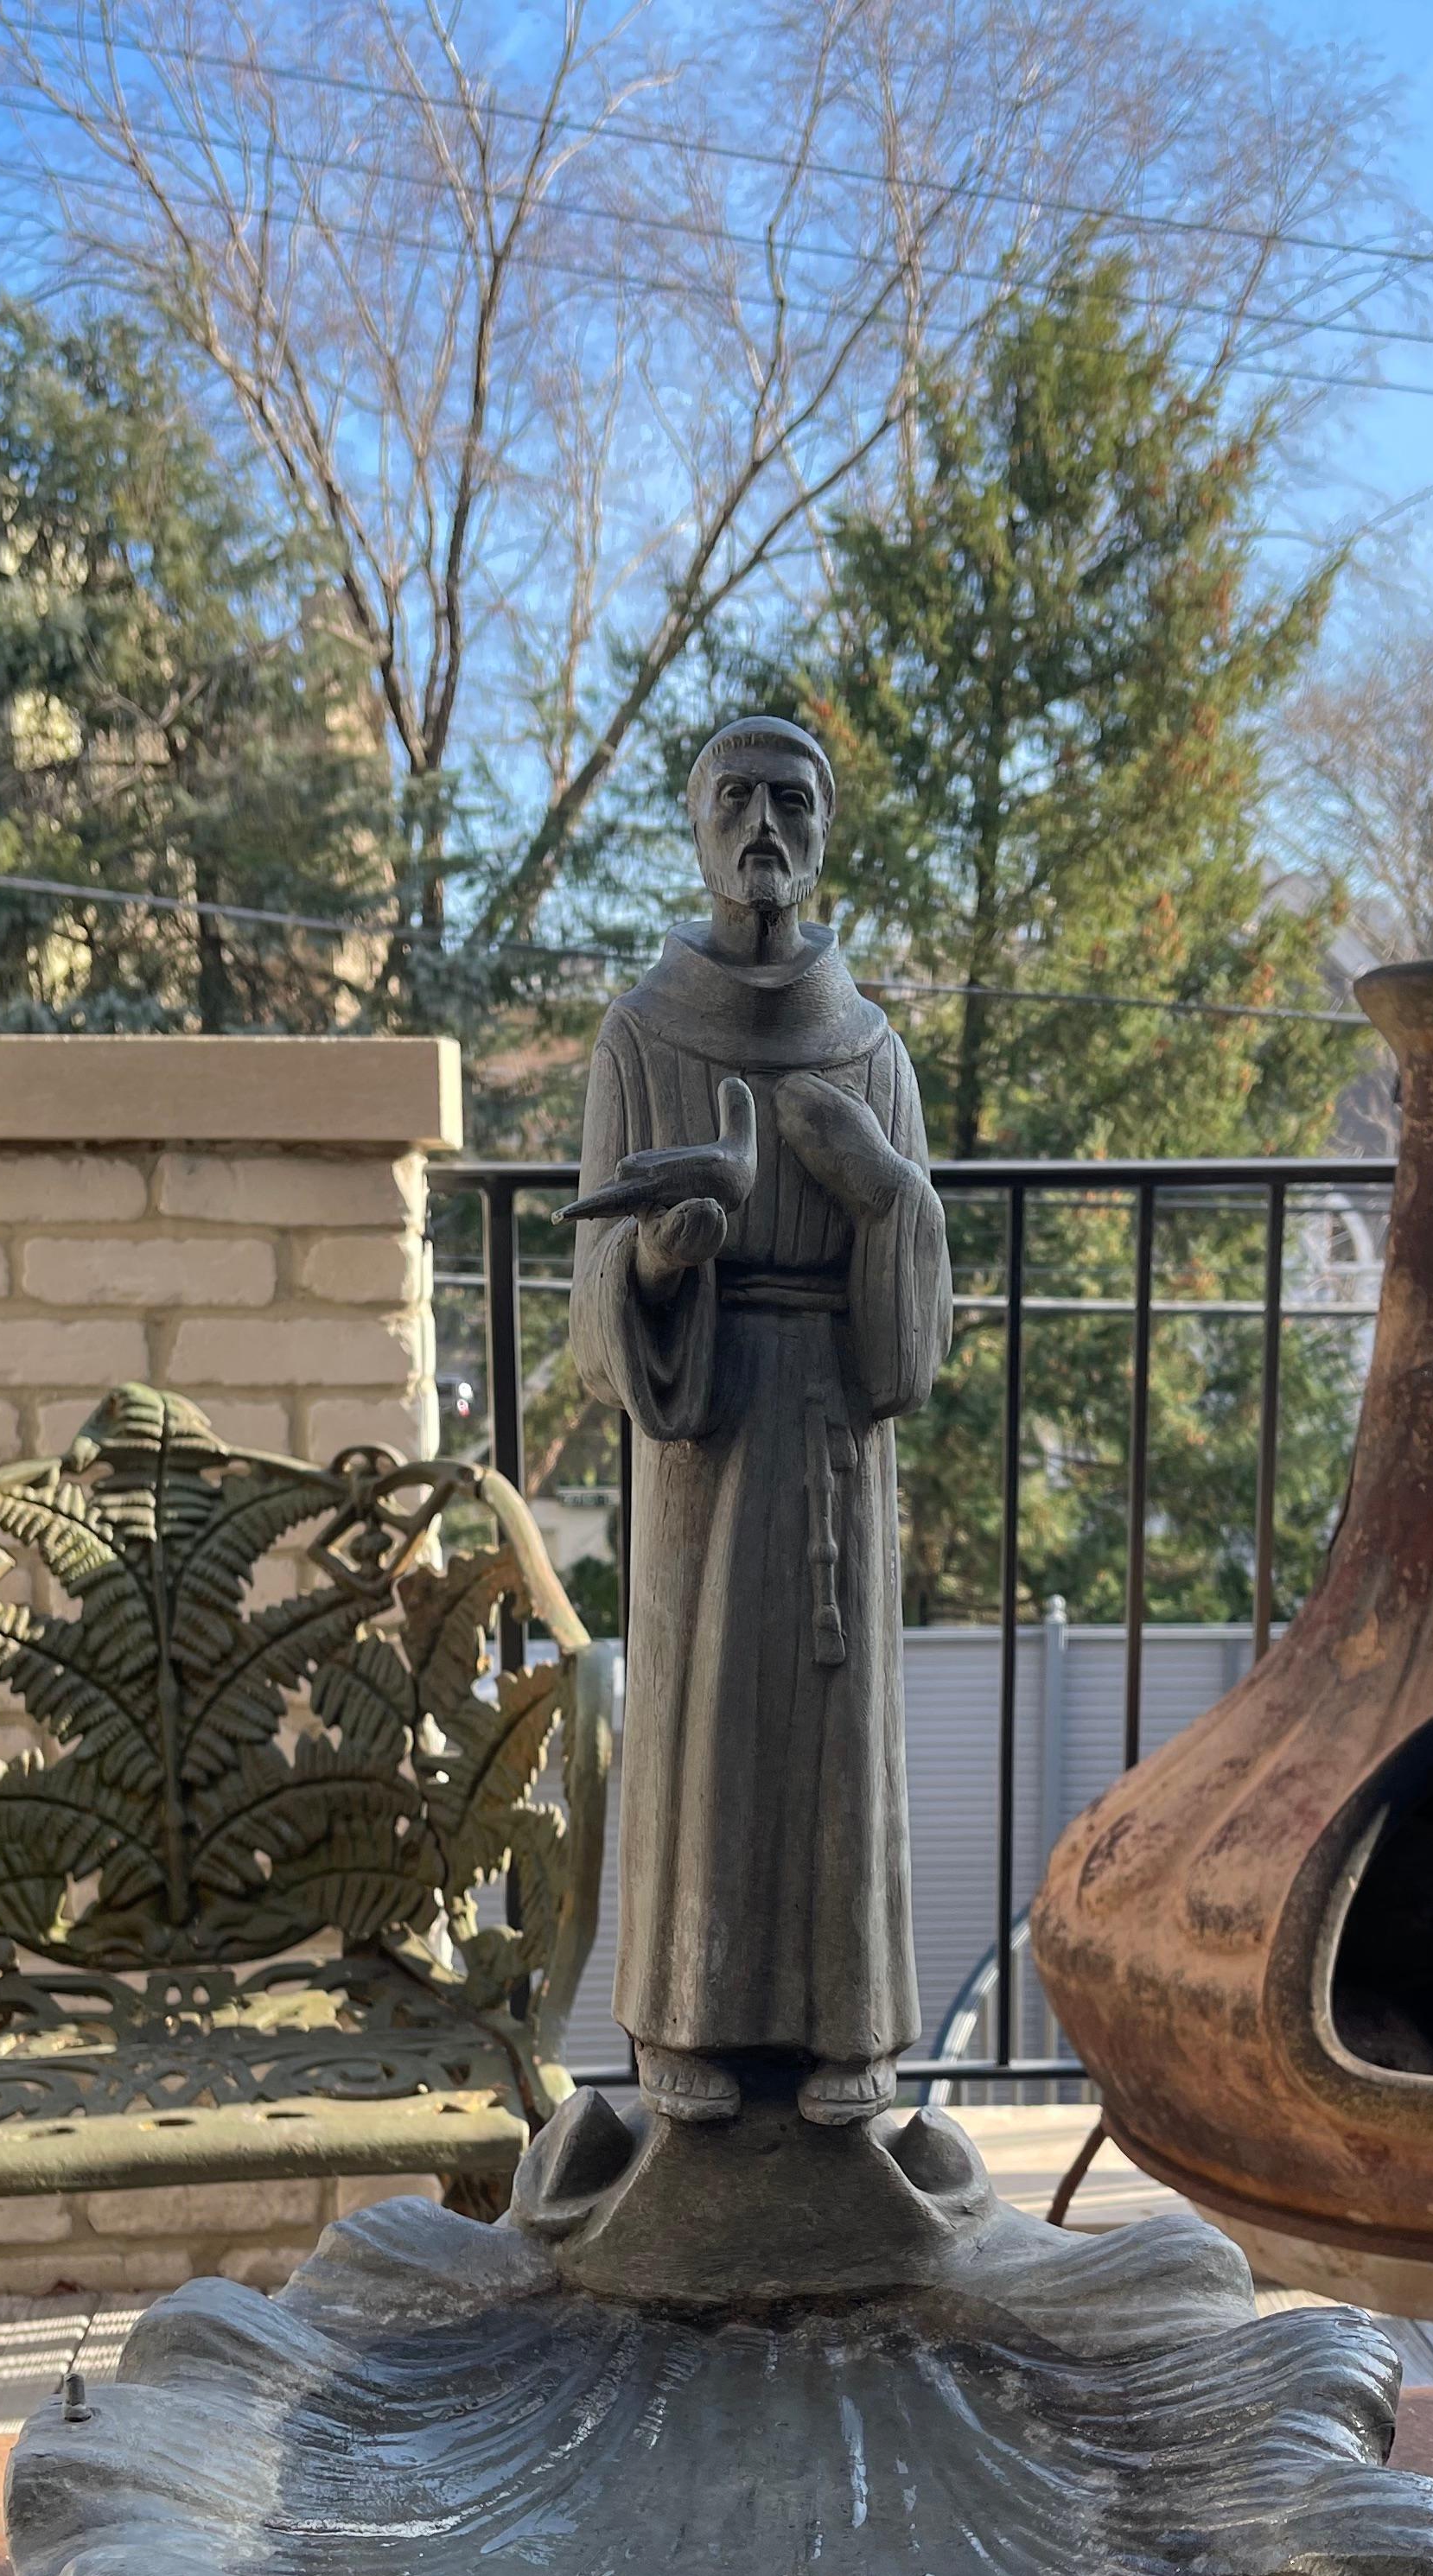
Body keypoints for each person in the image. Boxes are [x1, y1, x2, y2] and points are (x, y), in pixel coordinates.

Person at [568, 716, 951, 2126]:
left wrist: (881, 1194)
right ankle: (691, 2024)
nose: (763, 824)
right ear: (697, 827)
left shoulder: (873, 1052)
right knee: (706, 1723)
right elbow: (591, 1287)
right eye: (735, 797)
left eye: (792, 799)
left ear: (824, 831)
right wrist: (663, 1260)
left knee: (842, 1740)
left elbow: (914, 1338)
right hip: (707, 1442)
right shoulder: (640, 1034)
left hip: (842, 1444)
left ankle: (848, 2035)